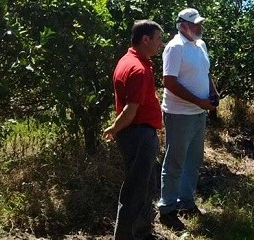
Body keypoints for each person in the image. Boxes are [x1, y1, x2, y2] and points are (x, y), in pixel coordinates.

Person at [157, 8, 219, 231]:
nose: (199, 27)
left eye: (199, 23)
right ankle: (167, 209)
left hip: (197, 114)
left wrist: (213, 92)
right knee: (175, 161)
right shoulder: (175, 47)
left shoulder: (200, 45)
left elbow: (206, 73)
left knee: (193, 160)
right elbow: (169, 83)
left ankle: (186, 202)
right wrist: (198, 102)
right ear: (182, 26)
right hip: (179, 114)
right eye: (194, 24)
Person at [102, 19, 164, 240]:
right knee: (136, 190)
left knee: (146, 185)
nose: (161, 44)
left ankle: (142, 232)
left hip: (138, 133)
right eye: (158, 39)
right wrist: (114, 127)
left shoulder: (129, 61)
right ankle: (126, 236)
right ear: (145, 39)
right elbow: (130, 109)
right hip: (138, 134)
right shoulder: (138, 69)